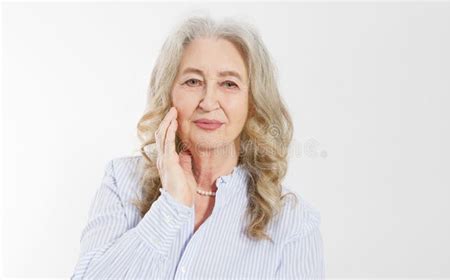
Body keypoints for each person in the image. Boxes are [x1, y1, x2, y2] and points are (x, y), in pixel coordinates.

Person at [72, 14, 325, 279]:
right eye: (193, 81)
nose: (208, 101)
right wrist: (172, 205)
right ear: (169, 92)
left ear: (252, 102)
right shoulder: (121, 181)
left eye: (229, 84)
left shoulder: (296, 224)